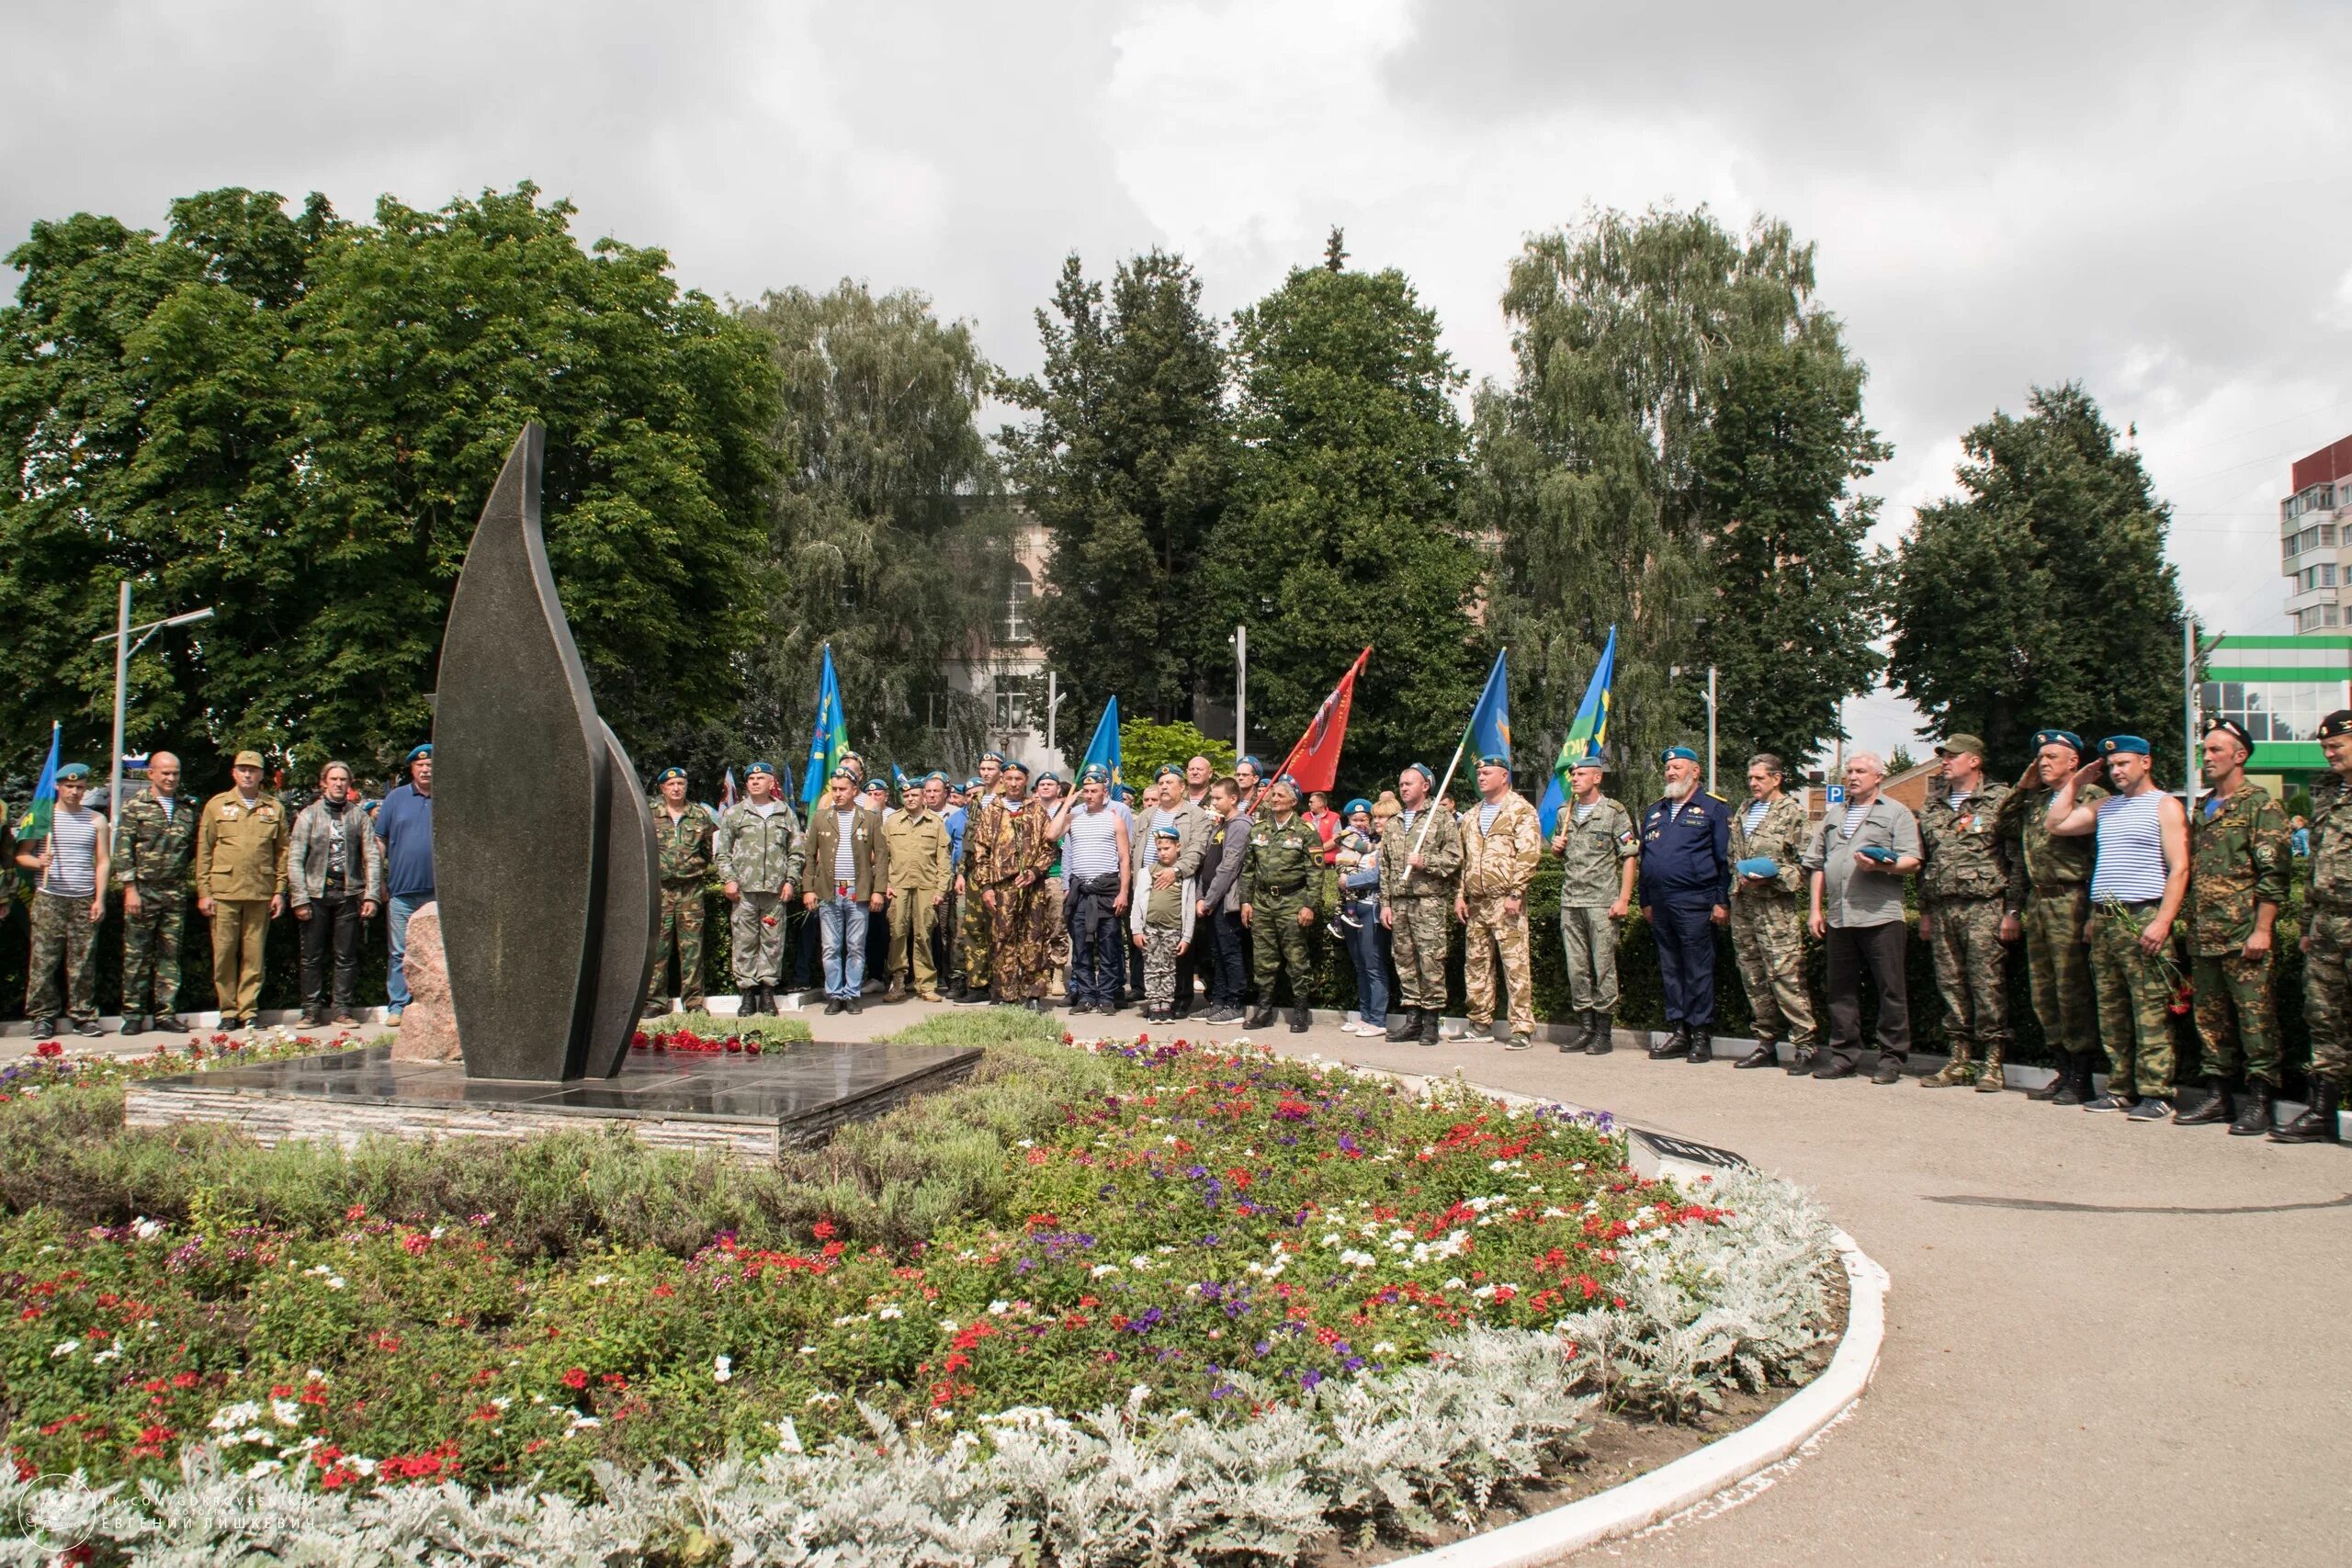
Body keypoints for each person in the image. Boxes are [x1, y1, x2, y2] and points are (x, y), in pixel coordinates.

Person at [2042, 736, 2190, 1120]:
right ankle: (2121, 1087)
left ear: (2146, 762)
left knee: (2150, 1009)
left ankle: (2157, 1092)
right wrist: (2075, 783)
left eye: (2124, 763)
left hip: (2143, 916)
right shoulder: (2106, 806)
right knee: (2112, 1011)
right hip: (2107, 919)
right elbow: (2055, 823)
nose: (2117, 771)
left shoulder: (2165, 806)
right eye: (2111, 766)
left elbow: (2179, 868)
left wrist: (2163, 921)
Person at [2177, 718, 2290, 1133]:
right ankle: (2218, 1096)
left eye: (2216, 751)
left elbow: (2274, 875)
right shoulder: (2203, 806)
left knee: (2256, 1021)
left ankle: (2261, 1101)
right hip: (2205, 935)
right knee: (2210, 1021)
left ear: (2239, 756)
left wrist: (2262, 930)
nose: (2207, 757)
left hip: (2243, 936)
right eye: (2205, 751)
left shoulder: (2260, 806)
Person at [1996, 729, 2106, 1105]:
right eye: (2039, 758)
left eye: (2051, 758)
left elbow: (2102, 857)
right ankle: (2062, 1067)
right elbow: (2004, 827)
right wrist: (2023, 785)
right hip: (2039, 904)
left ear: (2074, 762)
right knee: (2045, 993)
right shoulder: (2036, 800)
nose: (2043, 764)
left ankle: (2082, 1075)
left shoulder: (2092, 797)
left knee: (2072, 990)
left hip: (2071, 900)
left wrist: (2094, 911)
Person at [1802, 751, 1923, 1083]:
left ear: (1878, 776)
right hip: (1840, 916)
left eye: (1860, 771)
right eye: (1849, 771)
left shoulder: (1896, 813)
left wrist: (1883, 865)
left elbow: (1912, 861)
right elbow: (1816, 864)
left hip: (1881, 917)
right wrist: (1815, 909)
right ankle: (1843, 1056)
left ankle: (1891, 1060)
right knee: (1841, 990)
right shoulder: (1835, 814)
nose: (1853, 777)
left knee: (1890, 990)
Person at [1916, 736, 2018, 1091]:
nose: (1944, 761)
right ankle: (1958, 1060)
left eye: (1952, 756)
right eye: (1942, 756)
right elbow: (1925, 863)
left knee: (1987, 983)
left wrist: (2013, 910)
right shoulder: (1933, 805)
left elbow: (2015, 859)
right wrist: (1925, 911)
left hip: (1985, 905)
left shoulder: (2000, 800)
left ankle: (1992, 1063)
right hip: (1944, 907)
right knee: (1951, 984)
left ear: (1974, 761)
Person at [2278, 707, 2352, 1144]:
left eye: (2336, 746)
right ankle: (2322, 1112)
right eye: (2324, 747)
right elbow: (2315, 868)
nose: (2328, 754)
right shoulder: (2327, 795)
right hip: (2326, 926)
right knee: (2324, 1018)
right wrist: (2305, 926)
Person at [1639, 747, 1733, 1062]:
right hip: (1661, 903)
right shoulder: (1655, 811)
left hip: (1695, 900)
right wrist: (1645, 900)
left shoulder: (1713, 808)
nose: (1671, 773)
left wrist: (1722, 901)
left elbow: (1724, 860)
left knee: (1697, 968)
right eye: (1668, 768)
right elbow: (1645, 860)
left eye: (1677, 767)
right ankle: (1679, 1030)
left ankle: (1700, 1034)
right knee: (1671, 968)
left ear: (1695, 771)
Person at [1727, 754, 1817, 1073]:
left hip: (1775, 909)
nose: (1753, 783)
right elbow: (1732, 855)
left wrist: (1774, 876)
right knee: (1753, 976)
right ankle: (1766, 1042)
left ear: (1777, 778)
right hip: (1744, 906)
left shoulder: (1792, 812)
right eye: (1750, 778)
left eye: (1759, 778)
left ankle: (1805, 1044)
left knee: (1785, 977)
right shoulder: (1744, 810)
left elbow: (1807, 865)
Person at [193, 750, 290, 1031]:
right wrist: (204, 891)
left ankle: (248, 1010)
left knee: (254, 955)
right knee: (223, 954)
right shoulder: (217, 805)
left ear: (262, 775)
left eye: (254, 770)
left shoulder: (273, 808)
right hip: (224, 892)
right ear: (233, 773)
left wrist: (279, 890)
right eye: (242, 769)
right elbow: (205, 850)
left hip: (260, 891)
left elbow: (282, 851)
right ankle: (227, 1010)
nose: (248, 774)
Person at [1552, 756, 1639, 1055]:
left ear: (1597, 778)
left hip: (1601, 902)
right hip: (1571, 900)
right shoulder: (1566, 812)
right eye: (1573, 774)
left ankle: (1604, 1032)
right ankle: (1585, 1028)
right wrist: (1555, 849)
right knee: (1577, 969)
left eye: (1581, 774)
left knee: (1604, 968)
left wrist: (1624, 899)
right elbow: (1559, 853)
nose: (1575, 778)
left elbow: (1629, 855)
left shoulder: (1613, 811)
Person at [289, 760, 384, 1028]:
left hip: (348, 894)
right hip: (315, 893)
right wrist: (299, 898)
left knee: (346, 956)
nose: (339, 783)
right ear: (324, 783)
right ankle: (311, 1011)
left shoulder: (359, 816)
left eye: (343, 779)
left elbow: (372, 859)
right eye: (334, 779)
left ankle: (342, 1009)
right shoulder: (309, 815)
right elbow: (295, 858)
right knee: (311, 956)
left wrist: (371, 895)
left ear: (349, 784)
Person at [1456, 754, 1541, 1050]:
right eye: (1479, 773)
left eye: (1487, 772)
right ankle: (1480, 1023)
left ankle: (1521, 1028)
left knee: (1515, 966)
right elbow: (1463, 861)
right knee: (1476, 965)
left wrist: (1517, 893)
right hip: (1477, 903)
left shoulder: (1521, 810)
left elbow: (1529, 854)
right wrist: (1459, 896)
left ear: (1504, 776)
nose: (1481, 777)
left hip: (1506, 901)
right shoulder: (1470, 816)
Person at [18, 763, 108, 1039]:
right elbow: (22, 855)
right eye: (69, 786)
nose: (74, 791)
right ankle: (42, 1017)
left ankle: (83, 1015)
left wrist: (100, 899)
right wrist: (38, 861)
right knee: (44, 960)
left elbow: (103, 861)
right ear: (57, 786)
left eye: (80, 787)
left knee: (82, 961)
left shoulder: (96, 820)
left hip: (82, 898)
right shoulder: (43, 818)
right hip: (49, 897)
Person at [113, 750, 197, 1034]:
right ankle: (133, 1015)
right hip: (143, 890)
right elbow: (123, 851)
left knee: (170, 956)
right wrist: (129, 889)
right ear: (151, 774)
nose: (171, 778)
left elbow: (192, 851)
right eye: (165, 773)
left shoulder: (186, 808)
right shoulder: (135, 806)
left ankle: (165, 1013)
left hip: (174, 891)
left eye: (175, 773)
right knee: (137, 954)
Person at [1380, 761, 1463, 1045]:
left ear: (1425, 786)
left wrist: (1425, 862)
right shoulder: (1394, 823)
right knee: (1404, 961)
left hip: (1428, 901)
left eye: (1409, 783)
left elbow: (1454, 859)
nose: (1403, 788)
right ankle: (1412, 1018)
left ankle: (1431, 1022)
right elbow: (1385, 867)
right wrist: (1386, 903)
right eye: (1401, 784)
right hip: (1400, 901)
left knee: (1431, 960)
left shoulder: (1440, 818)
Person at [969, 759, 1056, 1010]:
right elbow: (980, 851)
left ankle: (1033, 994)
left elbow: (1049, 848)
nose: (1014, 783)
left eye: (1019, 779)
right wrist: (985, 887)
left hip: (1032, 885)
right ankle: (1006, 994)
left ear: (1026, 781)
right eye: (1009, 779)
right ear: (1002, 781)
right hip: (1002, 886)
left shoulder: (1037, 811)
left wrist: (1034, 871)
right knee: (1003, 938)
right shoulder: (992, 810)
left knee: (1034, 938)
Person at [800, 768, 888, 1015]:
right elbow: (809, 856)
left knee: (856, 946)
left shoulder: (869, 818)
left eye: (842, 789)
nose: (837, 794)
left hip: (857, 891)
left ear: (854, 791)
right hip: (829, 891)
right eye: (834, 789)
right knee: (830, 946)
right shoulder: (820, 818)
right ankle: (835, 994)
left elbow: (881, 857)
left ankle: (852, 994)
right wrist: (808, 888)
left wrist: (878, 890)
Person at [716, 761, 801, 1015]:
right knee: (744, 942)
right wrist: (729, 879)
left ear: (771, 782)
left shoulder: (784, 813)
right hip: (744, 890)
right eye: (751, 779)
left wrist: (790, 880)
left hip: (775, 891)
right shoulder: (735, 814)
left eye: (760, 778)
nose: (755, 782)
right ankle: (747, 994)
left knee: (773, 942)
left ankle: (767, 993)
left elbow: (796, 851)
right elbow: (722, 852)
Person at [1239, 775, 1324, 1032]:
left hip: (1293, 902)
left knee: (1296, 959)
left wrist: (1310, 905)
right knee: (1263, 959)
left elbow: (1315, 873)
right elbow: (1248, 870)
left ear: (1293, 801)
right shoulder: (1258, 830)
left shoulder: (1306, 833)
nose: (1274, 799)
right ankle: (1264, 1010)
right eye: (1272, 795)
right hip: (1263, 902)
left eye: (1280, 795)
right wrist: (1246, 901)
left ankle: (1300, 1010)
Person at [1134, 763, 1211, 1015]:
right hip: (1149, 887)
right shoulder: (1146, 815)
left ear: (1183, 788)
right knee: (1150, 948)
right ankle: (1155, 1001)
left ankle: (1180, 999)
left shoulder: (1196, 815)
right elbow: (1137, 849)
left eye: (1170, 783)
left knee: (1178, 947)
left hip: (1178, 884)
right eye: (1161, 783)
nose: (1164, 787)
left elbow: (1198, 849)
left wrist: (1175, 871)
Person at [1057, 764, 1132, 1014]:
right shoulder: (1073, 818)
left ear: (1104, 793)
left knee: (1109, 946)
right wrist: (1067, 804)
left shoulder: (1115, 819)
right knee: (1081, 947)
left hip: (1107, 890)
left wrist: (1123, 892)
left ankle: (1107, 997)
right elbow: (1051, 834)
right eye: (1086, 791)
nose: (1089, 796)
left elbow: (1124, 859)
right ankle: (1087, 996)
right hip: (1080, 891)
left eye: (1094, 791)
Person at [642, 767, 716, 1017]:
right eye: (671, 784)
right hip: (659, 890)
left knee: (692, 949)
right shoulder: (649, 813)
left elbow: (708, 852)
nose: (676, 789)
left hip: (690, 890)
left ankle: (694, 1002)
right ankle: (654, 1000)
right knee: (657, 947)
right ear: (662, 788)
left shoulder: (699, 815)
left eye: (681, 784)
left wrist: (693, 868)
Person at [375, 744, 435, 1025]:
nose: (426, 769)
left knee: (437, 952)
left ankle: (435, 1007)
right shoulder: (396, 798)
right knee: (399, 951)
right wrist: (378, 882)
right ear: (412, 769)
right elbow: (379, 843)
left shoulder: (448, 798)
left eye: (431, 765)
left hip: (438, 894)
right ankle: (398, 1006)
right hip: (401, 891)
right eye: (420, 766)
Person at [881, 773, 954, 1004]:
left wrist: (941, 890)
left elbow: (944, 860)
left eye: (914, 794)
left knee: (924, 935)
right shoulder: (892, 822)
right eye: (906, 795)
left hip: (926, 886)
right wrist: (885, 884)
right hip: (898, 886)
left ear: (924, 796)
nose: (910, 799)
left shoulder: (937, 823)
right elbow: (883, 857)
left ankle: (926, 985)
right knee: (898, 934)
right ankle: (899, 982)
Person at [951, 752, 1006, 1004]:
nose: (985, 773)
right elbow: (968, 841)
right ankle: (977, 985)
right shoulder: (976, 802)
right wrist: (961, 872)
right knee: (973, 929)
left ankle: (1002, 984)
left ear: (1000, 771)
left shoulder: (1009, 800)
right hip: (975, 873)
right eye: (982, 768)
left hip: (1001, 875)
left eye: (990, 768)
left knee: (1001, 929)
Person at [1197, 778, 1252, 1022]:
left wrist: (1208, 900)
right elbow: (1207, 864)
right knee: (1217, 953)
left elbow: (1229, 867)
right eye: (1212, 798)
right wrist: (1201, 896)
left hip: (1225, 902)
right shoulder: (1220, 826)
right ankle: (1218, 1000)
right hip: (1211, 900)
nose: (1214, 802)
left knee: (1230, 953)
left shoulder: (1240, 826)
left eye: (1218, 798)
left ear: (1233, 799)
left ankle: (1235, 1004)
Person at [1130, 825, 1196, 1023]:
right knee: (1151, 967)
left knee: (1168, 968)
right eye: (1159, 849)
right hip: (1150, 928)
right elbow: (1138, 901)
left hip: (1173, 929)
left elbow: (1189, 907)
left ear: (1178, 847)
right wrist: (1136, 929)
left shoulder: (1184, 875)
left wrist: (1186, 937)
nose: (1162, 852)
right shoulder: (1147, 872)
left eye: (1167, 848)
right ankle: (1153, 1005)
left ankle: (1166, 1005)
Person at [1333, 799, 1387, 1037]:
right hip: (1353, 907)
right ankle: (1365, 1016)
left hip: (1372, 907)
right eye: (1374, 817)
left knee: (1373, 965)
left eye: (1379, 817)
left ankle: (1378, 1019)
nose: (1375, 822)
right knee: (1360, 965)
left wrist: (1349, 881)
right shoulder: (1366, 841)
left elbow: (1379, 875)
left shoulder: (1386, 845)